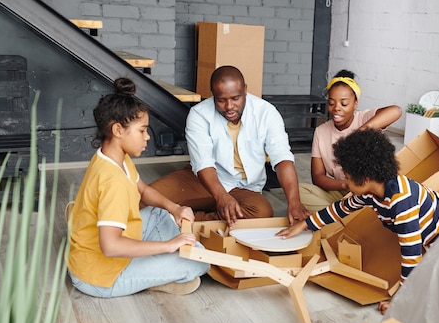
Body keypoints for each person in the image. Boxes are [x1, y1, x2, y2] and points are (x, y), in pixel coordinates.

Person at [277, 128, 439, 315]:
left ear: (365, 179)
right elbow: (339, 209)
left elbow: (411, 255)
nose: (345, 183)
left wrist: (399, 300)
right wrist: (304, 224)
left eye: (349, 178)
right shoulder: (371, 192)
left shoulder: (402, 203)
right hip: (436, 238)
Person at [67, 77, 210, 298]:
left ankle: (153, 266)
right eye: (142, 130)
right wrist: (169, 246)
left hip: (95, 254)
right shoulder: (112, 181)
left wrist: (175, 208)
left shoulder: (114, 157)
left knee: (160, 214)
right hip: (101, 277)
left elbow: (143, 190)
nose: (147, 136)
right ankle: (151, 275)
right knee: (199, 263)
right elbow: (110, 247)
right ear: (118, 130)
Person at [148, 65, 310, 228]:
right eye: (221, 100)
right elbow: (203, 163)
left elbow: (282, 158)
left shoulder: (266, 113)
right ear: (213, 94)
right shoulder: (199, 114)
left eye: (235, 98)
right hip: (205, 181)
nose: (229, 106)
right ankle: (202, 219)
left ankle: (185, 221)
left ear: (245, 90)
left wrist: (294, 201)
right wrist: (221, 197)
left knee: (261, 213)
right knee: (142, 198)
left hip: (245, 189)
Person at [299, 69, 402, 211]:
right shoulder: (321, 131)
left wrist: (359, 134)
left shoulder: (364, 118)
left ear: (355, 104)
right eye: (331, 103)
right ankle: (343, 216)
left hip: (368, 193)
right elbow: (317, 177)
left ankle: (335, 217)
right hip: (342, 192)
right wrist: (346, 185)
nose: (337, 108)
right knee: (297, 192)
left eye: (344, 103)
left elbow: (396, 111)